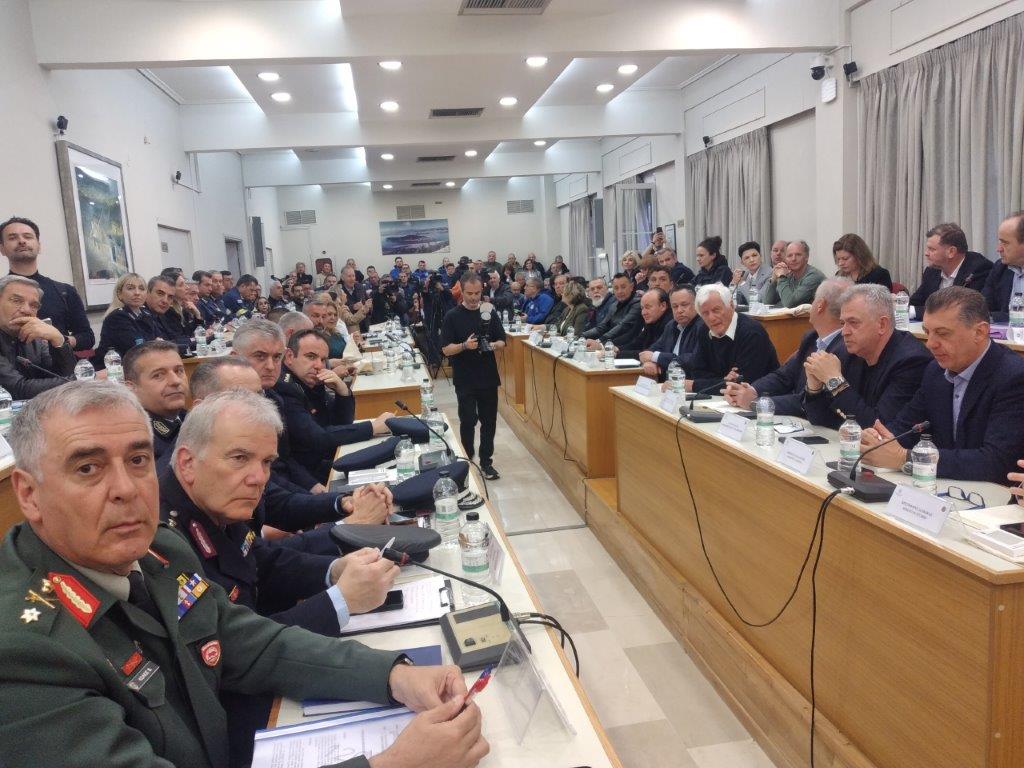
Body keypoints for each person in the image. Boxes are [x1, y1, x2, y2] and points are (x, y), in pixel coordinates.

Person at [0, 381, 487, 768]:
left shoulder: (159, 552)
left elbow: (252, 643)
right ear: (28, 494)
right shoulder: (21, 652)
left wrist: (394, 676)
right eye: (88, 468)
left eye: (138, 460)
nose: (126, 489)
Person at [859, 287, 1024, 484]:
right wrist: (878, 440)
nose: (930, 344)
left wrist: (906, 458)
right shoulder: (935, 371)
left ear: (979, 332)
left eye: (942, 334)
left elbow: (996, 461)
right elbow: (906, 425)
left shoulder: (1013, 377)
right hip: (946, 486)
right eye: (927, 332)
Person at [802, 283, 930, 429]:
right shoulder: (848, 353)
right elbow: (821, 420)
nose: (844, 332)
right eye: (843, 323)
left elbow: (880, 429)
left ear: (882, 325)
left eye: (853, 322)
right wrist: (814, 388)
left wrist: (836, 382)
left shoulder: (911, 362)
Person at [276, 329, 393, 479]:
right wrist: (372, 427)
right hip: (308, 475)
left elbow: (341, 423)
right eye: (311, 357)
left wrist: (342, 391)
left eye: (323, 359)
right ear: (290, 357)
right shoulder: (286, 388)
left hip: (325, 460)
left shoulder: (309, 380)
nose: (319, 365)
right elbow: (318, 438)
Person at [724, 278, 849, 414]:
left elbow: (809, 401)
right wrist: (750, 391)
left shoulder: (846, 348)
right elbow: (783, 376)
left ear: (820, 305)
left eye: (813, 300)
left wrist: (756, 403)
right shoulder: (811, 338)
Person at [441, 272, 507, 481]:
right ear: (461, 291)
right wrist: (464, 346)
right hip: (465, 378)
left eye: (477, 293)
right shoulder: (452, 316)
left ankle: (486, 462)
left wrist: (494, 345)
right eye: (469, 293)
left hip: (488, 376)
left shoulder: (489, 312)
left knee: (489, 421)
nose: (473, 297)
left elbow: (502, 340)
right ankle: (467, 460)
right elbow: (446, 349)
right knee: (468, 420)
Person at [0, 216, 94, 351]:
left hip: (60, 363)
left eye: (28, 237)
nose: (21, 241)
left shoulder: (65, 291)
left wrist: (59, 339)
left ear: (39, 246)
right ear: (2, 249)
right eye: (12, 238)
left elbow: (87, 337)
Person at [687, 283, 779, 392]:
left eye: (716, 310)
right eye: (705, 313)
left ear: (731, 305)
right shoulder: (704, 330)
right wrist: (722, 381)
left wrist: (694, 386)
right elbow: (697, 373)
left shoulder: (752, 332)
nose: (711, 318)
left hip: (761, 398)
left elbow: (743, 384)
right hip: (716, 398)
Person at [0, 275, 76, 398]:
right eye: (16, 301)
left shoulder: (35, 337)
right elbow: (17, 389)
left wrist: (59, 341)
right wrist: (81, 380)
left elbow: (59, 375)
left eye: (33, 305)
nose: (26, 310)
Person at [908, 223, 991, 319]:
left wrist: (914, 312)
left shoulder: (979, 270)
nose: (926, 253)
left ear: (951, 252)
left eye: (932, 249)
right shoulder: (932, 271)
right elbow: (915, 302)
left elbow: (962, 311)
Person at [123, 340, 187, 461]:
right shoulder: (136, 439)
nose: (176, 381)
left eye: (179, 371)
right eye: (158, 375)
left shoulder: (193, 417)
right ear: (131, 388)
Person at [94, 273, 161, 367]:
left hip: (141, 365)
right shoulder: (117, 317)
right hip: (114, 370)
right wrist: (156, 343)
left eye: (141, 288)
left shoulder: (146, 313)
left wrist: (156, 343)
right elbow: (138, 348)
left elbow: (161, 340)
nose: (137, 293)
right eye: (130, 288)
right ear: (119, 294)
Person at [640, 284, 702, 379]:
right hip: (668, 383)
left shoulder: (702, 326)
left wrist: (656, 357)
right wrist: (650, 362)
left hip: (690, 383)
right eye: (675, 306)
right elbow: (652, 349)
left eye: (684, 305)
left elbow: (693, 359)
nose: (679, 310)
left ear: (696, 304)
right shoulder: (671, 325)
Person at [980, 211, 1024, 322]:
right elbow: (981, 308)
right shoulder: (1000, 268)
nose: (999, 249)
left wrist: (996, 317)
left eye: (1005, 243)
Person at [582, 273, 643, 349]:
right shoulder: (614, 305)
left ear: (631, 287)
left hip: (629, 347)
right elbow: (602, 327)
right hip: (611, 344)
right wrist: (581, 336)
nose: (620, 291)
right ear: (613, 290)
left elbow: (622, 326)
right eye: (616, 288)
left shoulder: (638, 303)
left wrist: (599, 341)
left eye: (623, 287)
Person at [762, 240, 826, 308]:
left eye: (798, 255)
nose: (793, 259)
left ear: (806, 257)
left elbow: (790, 303)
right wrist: (773, 280)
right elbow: (767, 302)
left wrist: (782, 277)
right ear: (785, 259)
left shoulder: (813, 276)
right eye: (789, 255)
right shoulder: (789, 275)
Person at [614, 288, 671, 360]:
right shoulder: (652, 321)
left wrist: (616, 354)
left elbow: (650, 353)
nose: (643, 313)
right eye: (642, 308)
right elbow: (637, 343)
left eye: (648, 307)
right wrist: (617, 349)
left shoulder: (669, 325)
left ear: (663, 306)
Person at [731, 241, 773, 307]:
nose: (751, 260)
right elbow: (730, 301)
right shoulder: (744, 275)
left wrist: (742, 283)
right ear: (742, 262)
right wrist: (733, 283)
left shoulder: (770, 273)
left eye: (754, 255)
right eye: (747, 258)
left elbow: (758, 301)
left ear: (760, 256)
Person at [164, 273, 203, 342]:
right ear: (171, 289)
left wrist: (197, 315)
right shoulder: (169, 311)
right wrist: (199, 338)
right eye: (181, 285)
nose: (187, 287)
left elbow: (190, 333)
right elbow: (180, 339)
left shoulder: (182, 309)